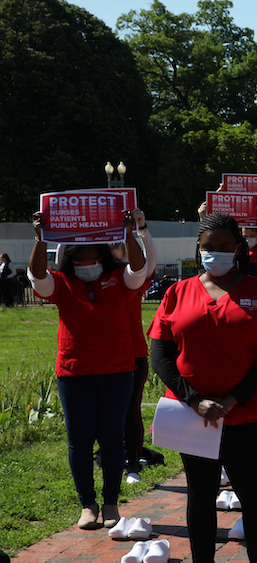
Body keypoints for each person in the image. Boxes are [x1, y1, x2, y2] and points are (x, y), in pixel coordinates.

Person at [149, 213, 257, 563]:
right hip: (191, 415)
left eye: (225, 247)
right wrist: (195, 401)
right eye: (209, 247)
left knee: (250, 492)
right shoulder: (177, 292)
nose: (217, 253)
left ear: (239, 248)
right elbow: (161, 357)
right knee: (201, 493)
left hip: (247, 413)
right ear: (198, 249)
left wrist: (232, 400)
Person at [28, 209, 147, 530]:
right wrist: (41, 239)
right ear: (69, 262)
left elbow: (138, 268)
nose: (88, 266)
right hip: (74, 373)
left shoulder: (119, 279)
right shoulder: (62, 283)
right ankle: (87, 505)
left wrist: (129, 232)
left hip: (118, 371)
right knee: (78, 441)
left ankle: (110, 503)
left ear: (104, 258)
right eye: (80, 262)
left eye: (94, 260)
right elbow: (37, 277)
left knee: (111, 439)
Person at [109, 212, 159, 484]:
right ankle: (112, 458)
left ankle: (132, 463)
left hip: (133, 355)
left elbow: (150, 260)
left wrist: (142, 229)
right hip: (103, 356)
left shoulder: (132, 279)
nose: (119, 247)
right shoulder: (94, 278)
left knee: (131, 410)